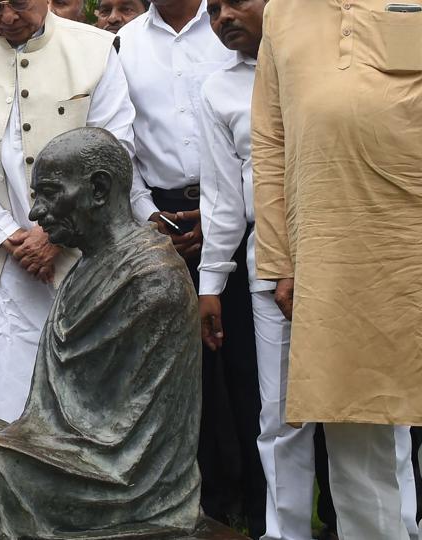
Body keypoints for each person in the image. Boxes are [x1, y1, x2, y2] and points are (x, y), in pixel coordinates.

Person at [0, 127, 202, 538]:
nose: (36, 213)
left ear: (98, 189)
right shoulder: (90, 263)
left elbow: (112, 433)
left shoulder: (152, 281)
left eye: (49, 194)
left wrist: (10, 449)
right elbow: (50, 419)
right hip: (61, 442)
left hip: (123, 477)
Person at [253, 1, 422, 538]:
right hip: (338, 253)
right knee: (357, 424)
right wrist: (281, 262)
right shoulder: (282, 13)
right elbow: (270, 141)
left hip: (407, 232)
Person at [0, 0, 135, 422]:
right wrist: (7, 234)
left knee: (70, 396)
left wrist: (56, 236)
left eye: (19, 4)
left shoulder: (97, 49)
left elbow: (114, 153)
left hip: (75, 261)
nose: (6, 18)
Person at [118, 1, 267, 532]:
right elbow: (122, 138)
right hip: (163, 221)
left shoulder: (235, 26)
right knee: (186, 372)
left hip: (247, 211)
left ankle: (262, 501)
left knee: (250, 366)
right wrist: (147, 213)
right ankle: (207, 501)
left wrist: (220, 214)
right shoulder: (126, 42)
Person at [197, 1, 316, 538]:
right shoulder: (217, 89)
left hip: (346, 249)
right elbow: (222, 196)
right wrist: (211, 282)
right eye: (213, 7)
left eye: (235, 1)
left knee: (371, 407)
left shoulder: (328, 61)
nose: (223, 16)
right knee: (279, 410)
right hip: (267, 255)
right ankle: (286, 531)